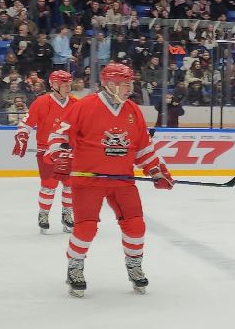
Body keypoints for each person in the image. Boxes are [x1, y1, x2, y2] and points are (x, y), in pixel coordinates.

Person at [44, 62, 173, 297]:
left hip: (122, 180)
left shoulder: (132, 110)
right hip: (87, 181)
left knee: (136, 225)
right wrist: (60, 153)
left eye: (130, 84)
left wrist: (156, 171)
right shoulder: (84, 107)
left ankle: (134, 266)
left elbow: (143, 147)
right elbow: (58, 135)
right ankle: (75, 267)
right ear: (110, 84)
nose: (130, 89)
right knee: (85, 228)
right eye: (125, 84)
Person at [14, 69, 77, 234]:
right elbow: (27, 122)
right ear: (55, 85)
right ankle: (44, 214)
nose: (69, 87)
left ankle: (67, 214)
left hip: (69, 152)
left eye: (70, 84)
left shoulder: (76, 103)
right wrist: (22, 135)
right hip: (46, 151)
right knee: (49, 185)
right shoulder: (41, 102)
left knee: (70, 185)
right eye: (65, 84)